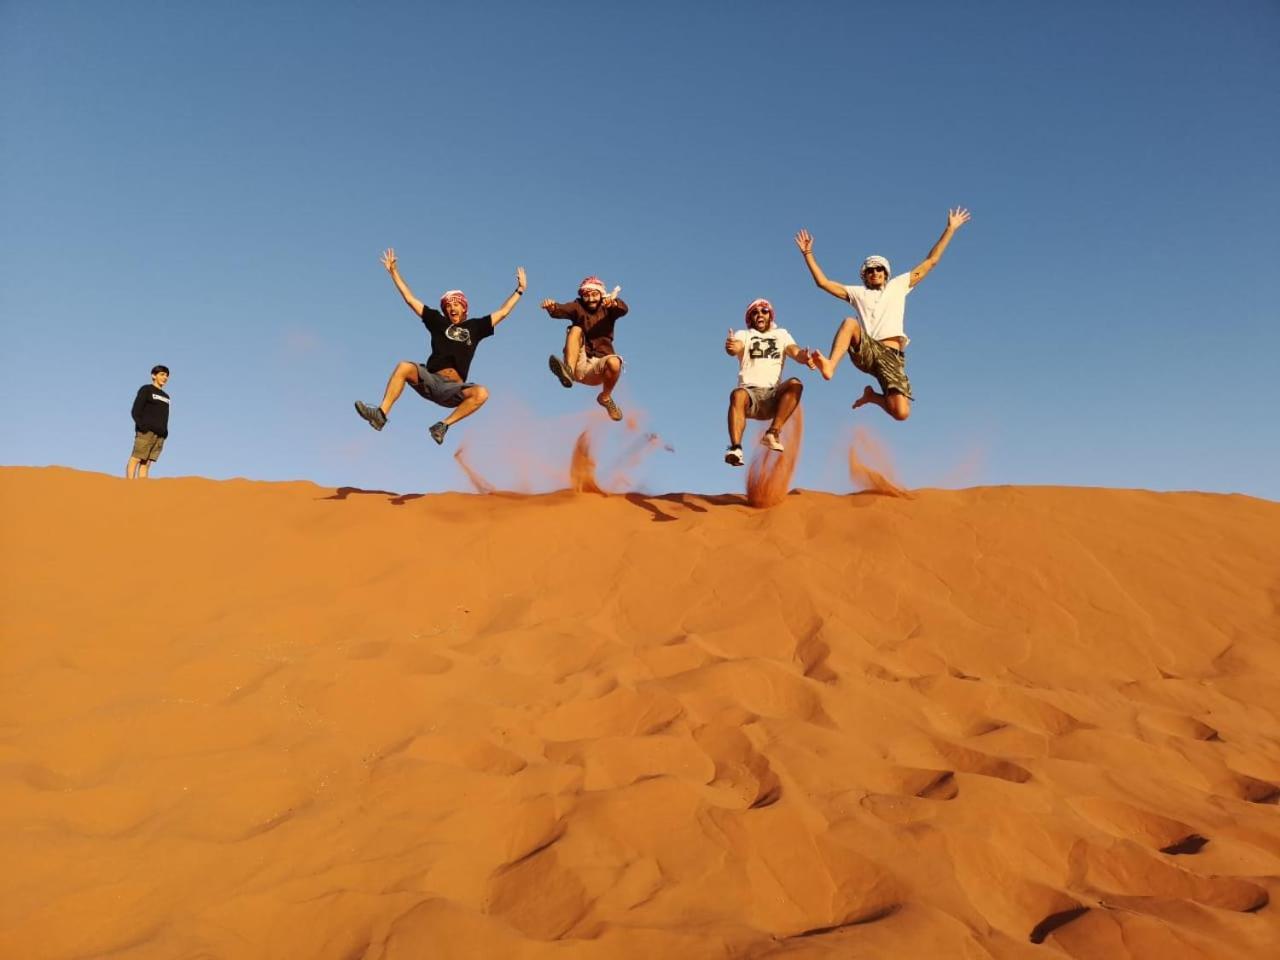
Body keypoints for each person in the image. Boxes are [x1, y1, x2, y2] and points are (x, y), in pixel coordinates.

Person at [794, 207, 971, 421]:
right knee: (850, 322)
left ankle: (873, 397)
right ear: (865, 277)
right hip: (868, 350)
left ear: (886, 273)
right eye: (870, 271)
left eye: (879, 269)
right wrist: (808, 254)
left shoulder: (899, 285)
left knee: (902, 413)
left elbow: (930, 261)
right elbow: (823, 283)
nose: (875, 273)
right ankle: (831, 365)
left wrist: (950, 229)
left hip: (892, 357)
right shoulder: (857, 293)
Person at [354, 248, 526, 445]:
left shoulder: (476, 327)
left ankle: (443, 425)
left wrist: (519, 290)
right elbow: (411, 300)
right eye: (448, 305)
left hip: (453, 389)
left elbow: (503, 312)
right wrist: (394, 273)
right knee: (404, 367)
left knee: (482, 393)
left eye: (456, 304)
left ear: (464, 308)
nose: (452, 308)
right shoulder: (438, 321)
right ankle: (381, 414)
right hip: (431, 379)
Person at [723, 299, 816, 466]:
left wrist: (804, 357)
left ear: (770, 315)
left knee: (796, 384)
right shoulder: (744, 335)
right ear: (750, 318)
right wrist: (731, 347)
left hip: (773, 396)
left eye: (764, 311)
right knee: (737, 394)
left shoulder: (781, 334)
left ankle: (772, 433)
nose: (759, 314)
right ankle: (736, 448)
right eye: (755, 312)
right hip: (749, 396)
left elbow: (794, 351)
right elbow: (735, 347)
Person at [542, 277, 629, 422]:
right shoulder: (578, 306)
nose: (590, 299)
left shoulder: (608, 308)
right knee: (575, 329)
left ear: (601, 295)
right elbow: (562, 309)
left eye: (594, 295)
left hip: (597, 369)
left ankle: (605, 397)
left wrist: (613, 303)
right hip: (578, 363)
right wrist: (552, 307)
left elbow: (624, 309)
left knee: (615, 362)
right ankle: (567, 371)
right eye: (586, 295)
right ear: (582, 296)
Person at [127, 365, 170, 479]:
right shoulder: (146, 389)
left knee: (147, 463)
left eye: (166, 375)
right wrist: (142, 426)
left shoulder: (166, 396)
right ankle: (128, 486)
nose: (165, 377)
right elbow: (135, 410)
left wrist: (165, 432)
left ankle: (142, 489)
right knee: (136, 458)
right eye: (162, 374)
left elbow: (165, 415)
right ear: (153, 376)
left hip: (160, 434)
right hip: (146, 431)